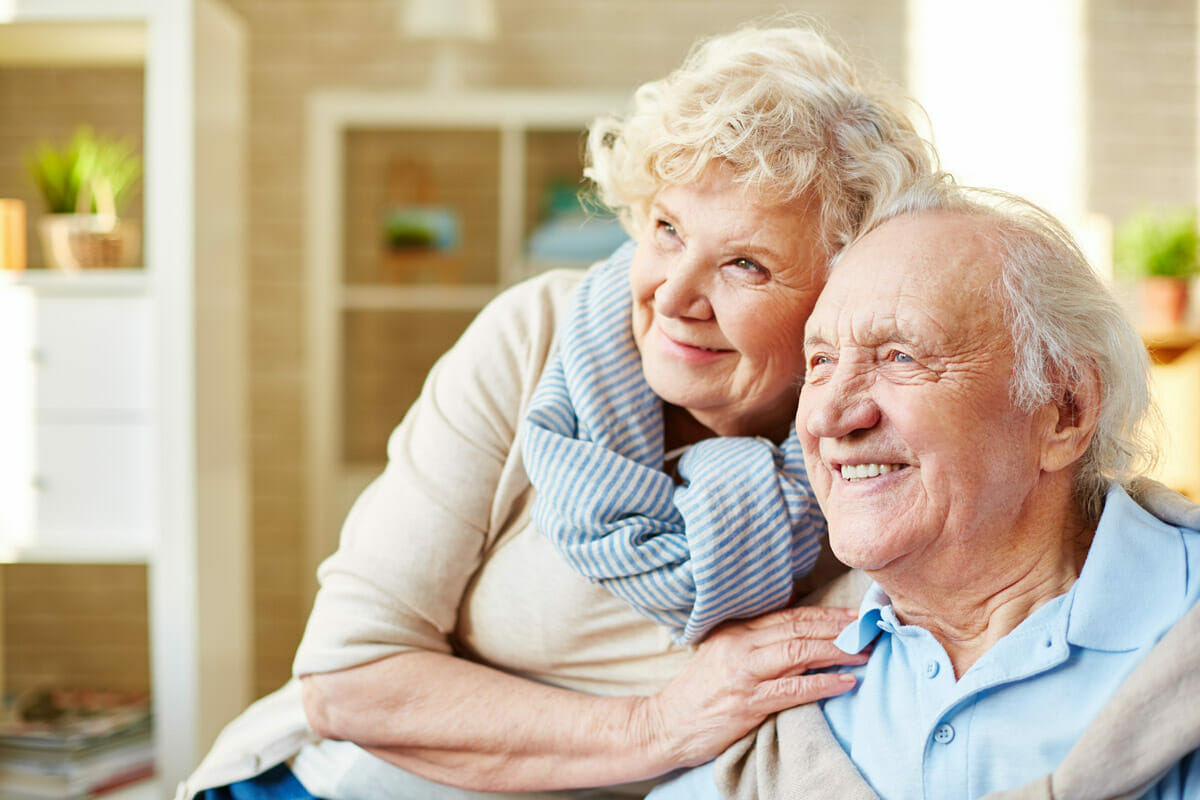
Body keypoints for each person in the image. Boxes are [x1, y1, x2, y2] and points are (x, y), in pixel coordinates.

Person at [176, 19, 938, 800]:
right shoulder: (534, 338)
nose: (674, 297)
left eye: (744, 264)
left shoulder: (874, 448)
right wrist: (659, 724)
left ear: (842, 296)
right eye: (668, 230)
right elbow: (347, 677)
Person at [647, 180, 1200, 800]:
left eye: (900, 357)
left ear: (1064, 410)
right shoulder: (783, 677)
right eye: (821, 361)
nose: (829, 417)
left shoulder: (1181, 621)